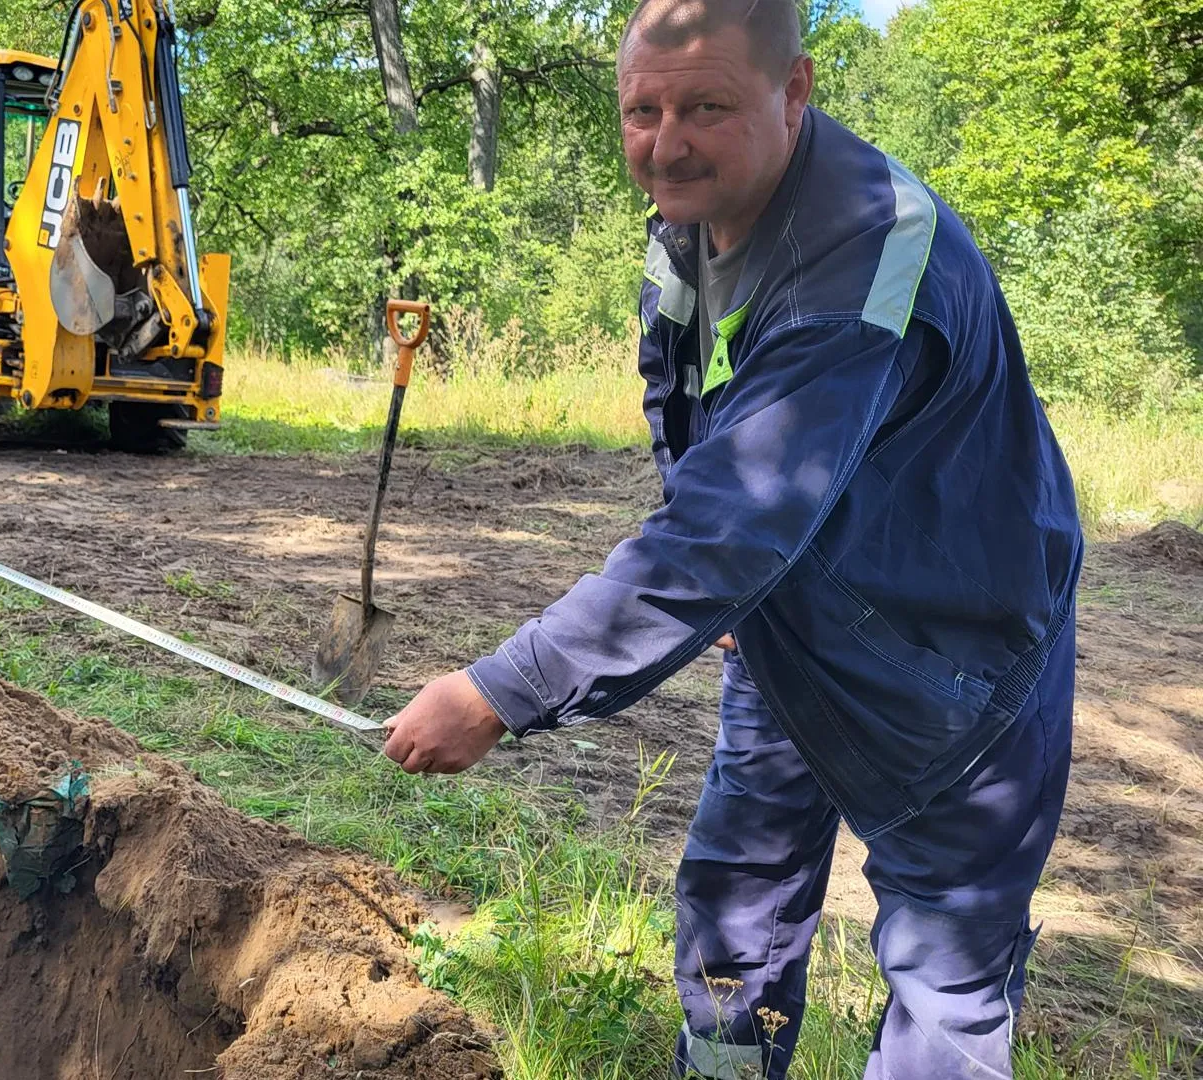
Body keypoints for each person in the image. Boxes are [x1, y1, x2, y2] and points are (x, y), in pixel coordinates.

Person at [378, 0, 1082, 1076]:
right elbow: (691, 425)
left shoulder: (865, 254)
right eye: (642, 111)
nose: (667, 143)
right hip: (788, 631)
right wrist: (736, 604)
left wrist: (499, 691)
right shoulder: (689, 225)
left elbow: (730, 523)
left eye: (706, 106)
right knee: (733, 907)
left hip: (959, 662)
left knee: (944, 989)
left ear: (794, 92)